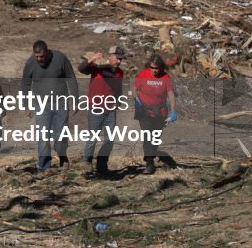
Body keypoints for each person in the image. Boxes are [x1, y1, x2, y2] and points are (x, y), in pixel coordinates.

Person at [22, 40, 80, 174]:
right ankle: (43, 167)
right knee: (43, 137)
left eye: (41, 56)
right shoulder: (31, 62)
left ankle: (62, 155)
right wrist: (26, 104)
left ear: (47, 52)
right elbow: (25, 83)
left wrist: (75, 100)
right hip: (42, 104)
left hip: (61, 102)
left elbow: (71, 77)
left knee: (60, 136)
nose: (39, 59)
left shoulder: (60, 58)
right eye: (36, 57)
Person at [77, 46, 126, 177]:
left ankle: (102, 164)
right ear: (111, 56)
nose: (119, 62)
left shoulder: (119, 73)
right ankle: (87, 162)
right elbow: (81, 69)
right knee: (92, 137)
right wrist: (92, 59)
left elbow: (118, 89)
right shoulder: (98, 67)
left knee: (110, 139)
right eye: (118, 58)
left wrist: (117, 101)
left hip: (110, 109)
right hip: (96, 106)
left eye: (121, 59)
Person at [133, 54, 178, 175]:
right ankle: (149, 162)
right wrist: (137, 100)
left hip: (160, 111)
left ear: (161, 67)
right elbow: (135, 89)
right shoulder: (143, 74)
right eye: (152, 68)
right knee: (147, 135)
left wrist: (173, 110)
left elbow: (170, 93)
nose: (155, 70)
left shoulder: (165, 77)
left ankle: (152, 154)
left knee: (156, 136)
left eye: (157, 68)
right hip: (144, 110)